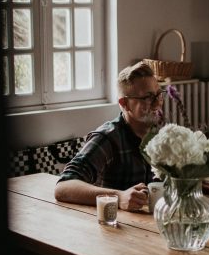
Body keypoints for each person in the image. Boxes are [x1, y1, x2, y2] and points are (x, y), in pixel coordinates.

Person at [55, 61, 161, 211]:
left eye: (158, 95)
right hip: (112, 228)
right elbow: (63, 187)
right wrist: (119, 197)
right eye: (148, 98)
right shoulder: (108, 138)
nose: (157, 104)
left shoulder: (160, 135)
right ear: (124, 104)